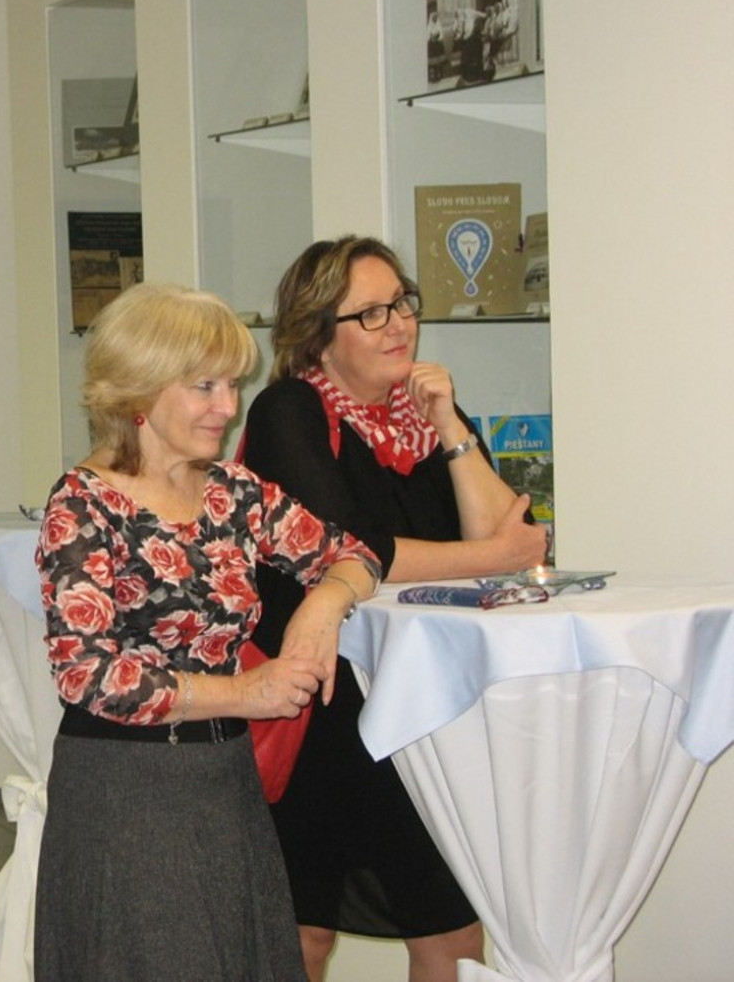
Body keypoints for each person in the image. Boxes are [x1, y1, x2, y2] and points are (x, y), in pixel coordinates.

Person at [34, 283, 382, 982]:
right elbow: (88, 675)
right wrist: (245, 693)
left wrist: (324, 603)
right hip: (125, 792)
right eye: (205, 386)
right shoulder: (84, 503)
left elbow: (357, 554)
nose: (228, 407)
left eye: (231, 385)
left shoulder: (233, 491)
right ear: (139, 388)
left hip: (224, 783)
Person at [241, 236, 548, 982]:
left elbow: (506, 532)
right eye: (370, 314)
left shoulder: (426, 411)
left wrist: (449, 428)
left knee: (452, 930)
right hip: (320, 709)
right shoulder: (290, 409)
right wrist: (493, 557)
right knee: (302, 933)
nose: (399, 325)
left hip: (422, 708)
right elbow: (351, 549)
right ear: (319, 335)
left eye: (402, 304)